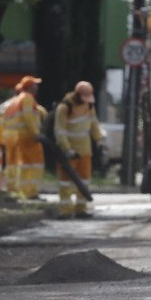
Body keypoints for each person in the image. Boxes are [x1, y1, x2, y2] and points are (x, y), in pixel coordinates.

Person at [55, 81, 103, 218]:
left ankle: (80, 209)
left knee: (85, 180)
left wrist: (99, 139)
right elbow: (60, 131)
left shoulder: (89, 106)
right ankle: (65, 209)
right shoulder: (65, 107)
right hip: (68, 152)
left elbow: (94, 124)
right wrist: (67, 149)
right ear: (78, 95)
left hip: (85, 150)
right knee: (65, 181)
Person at [1, 76, 44, 199]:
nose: (37, 87)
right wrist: (35, 133)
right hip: (26, 136)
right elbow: (28, 117)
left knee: (13, 164)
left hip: (11, 136)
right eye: (35, 85)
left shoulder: (14, 101)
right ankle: (30, 192)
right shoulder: (28, 98)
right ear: (30, 87)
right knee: (32, 164)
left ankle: (13, 189)